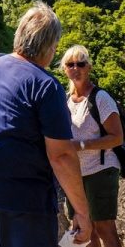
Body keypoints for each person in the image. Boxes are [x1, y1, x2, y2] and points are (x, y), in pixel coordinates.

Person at [0, 1, 92, 246]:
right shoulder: (45, 85)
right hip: (24, 196)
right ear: (50, 45)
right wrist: (82, 212)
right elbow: (61, 155)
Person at [62, 44, 122, 247]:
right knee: (84, 230)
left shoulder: (100, 98)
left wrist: (81, 145)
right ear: (64, 69)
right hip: (74, 175)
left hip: (101, 170)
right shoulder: (65, 100)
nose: (75, 68)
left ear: (89, 67)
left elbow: (117, 137)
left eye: (81, 64)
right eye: (70, 64)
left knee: (104, 228)